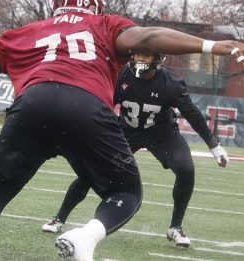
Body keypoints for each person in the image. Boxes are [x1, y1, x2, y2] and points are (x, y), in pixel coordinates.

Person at [0, 0, 244, 261]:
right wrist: (210, 45)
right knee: (126, 191)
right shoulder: (105, 25)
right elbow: (149, 36)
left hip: (33, 105)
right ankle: (86, 237)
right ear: (96, 4)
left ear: (56, 3)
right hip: (85, 107)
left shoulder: (28, 31)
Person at [41, 53, 228, 248]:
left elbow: (192, 114)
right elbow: (98, 103)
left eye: (145, 55)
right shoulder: (120, 76)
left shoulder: (170, 83)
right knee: (90, 172)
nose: (140, 59)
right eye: (137, 54)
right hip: (126, 132)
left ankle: (176, 227)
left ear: (157, 59)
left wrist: (214, 145)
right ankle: (59, 218)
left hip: (162, 134)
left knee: (186, 169)